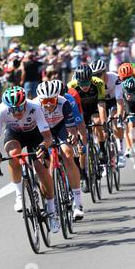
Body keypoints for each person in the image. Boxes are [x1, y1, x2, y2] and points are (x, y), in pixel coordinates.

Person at [0, 87, 60, 233]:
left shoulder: (35, 107)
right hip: (14, 134)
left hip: (35, 134)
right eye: (13, 109)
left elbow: (48, 137)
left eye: (20, 108)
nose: (17, 112)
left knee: (41, 169)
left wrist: (43, 146)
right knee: (14, 155)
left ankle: (52, 211)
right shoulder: (1, 110)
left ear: (25, 104)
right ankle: (19, 194)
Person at [33, 81, 85, 221]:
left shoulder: (65, 102)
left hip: (60, 127)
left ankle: (78, 203)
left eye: (52, 100)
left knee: (68, 153)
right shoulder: (35, 105)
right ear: (40, 99)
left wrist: (73, 137)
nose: (49, 104)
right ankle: (51, 200)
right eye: (45, 100)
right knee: (44, 165)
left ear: (57, 97)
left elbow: (71, 129)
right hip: (44, 130)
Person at [67, 65, 107, 193]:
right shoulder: (71, 86)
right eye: (81, 83)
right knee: (81, 144)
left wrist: (103, 122)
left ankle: (102, 149)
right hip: (80, 110)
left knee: (97, 122)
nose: (84, 86)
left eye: (87, 82)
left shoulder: (99, 83)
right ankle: (83, 172)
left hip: (94, 107)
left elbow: (101, 104)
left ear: (91, 79)